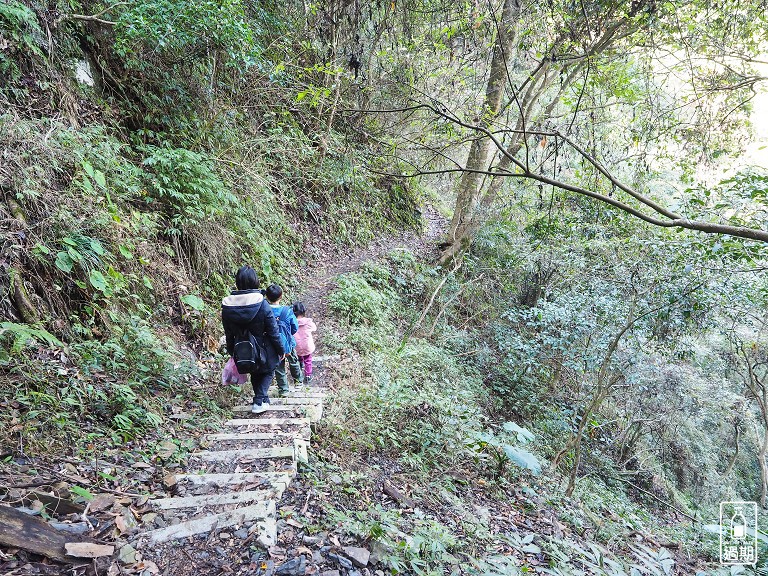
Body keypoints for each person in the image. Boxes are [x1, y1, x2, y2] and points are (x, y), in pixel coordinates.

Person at [222, 266, 286, 414]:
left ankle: (262, 399)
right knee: (269, 370)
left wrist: (232, 350)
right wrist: (280, 349)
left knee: (255, 372)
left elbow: (228, 332)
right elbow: (273, 330)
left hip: (242, 348)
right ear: (255, 281)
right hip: (265, 347)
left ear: (237, 282)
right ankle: (259, 400)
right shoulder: (261, 303)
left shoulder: (227, 306)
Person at [265, 283, 303, 396]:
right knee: (294, 362)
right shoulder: (287, 311)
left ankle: (284, 390)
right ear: (281, 296)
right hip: (288, 343)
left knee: (279, 367)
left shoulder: (265, 311)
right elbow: (294, 327)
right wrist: (288, 335)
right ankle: (298, 382)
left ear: (267, 297)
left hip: (273, 345)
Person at [293, 302, 316, 383]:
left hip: (297, 346)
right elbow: (314, 328)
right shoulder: (308, 322)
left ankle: (300, 367)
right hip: (307, 345)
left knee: (299, 357)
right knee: (308, 360)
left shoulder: (292, 322)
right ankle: (308, 375)